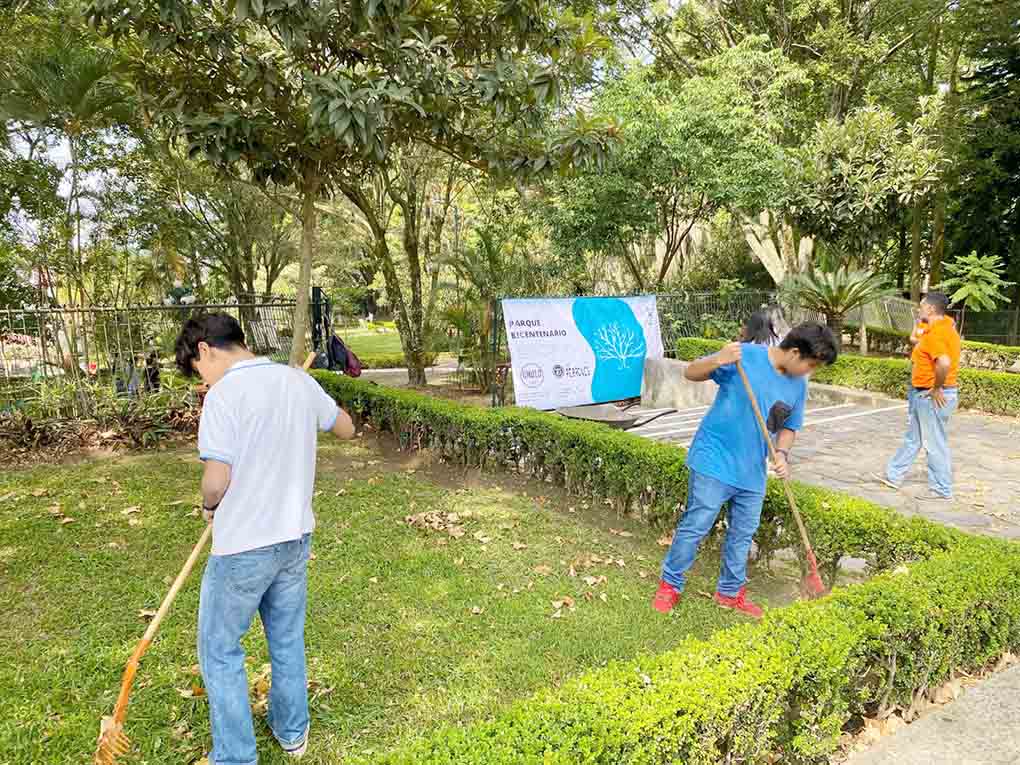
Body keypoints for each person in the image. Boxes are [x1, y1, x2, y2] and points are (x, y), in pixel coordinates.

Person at [175, 313, 355, 763]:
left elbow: (216, 481)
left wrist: (209, 505)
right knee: (287, 639)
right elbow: (346, 427)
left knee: (219, 650)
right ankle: (292, 732)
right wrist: (304, 396)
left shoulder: (223, 395)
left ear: (204, 350)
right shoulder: (297, 382)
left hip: (243, 546)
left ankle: (236, 756)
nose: (203, 378)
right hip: (294, 539)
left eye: (198, 369)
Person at [652, 322, 839, 619]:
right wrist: (718, 359)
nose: (811, 372)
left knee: (742, 534)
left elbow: (789, 427)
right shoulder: (743, 356)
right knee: (697, 525)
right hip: (714, 459)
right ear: (794, 353)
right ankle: (670, 585)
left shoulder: (798, 385)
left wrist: (782, 453)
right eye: (812, 364)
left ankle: (729, 593)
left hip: (752, 470)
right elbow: (690, 373)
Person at [877, 292, 960, 500]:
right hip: (922, 392)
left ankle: (941, 489)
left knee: (934, 443)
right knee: (913, 438)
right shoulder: (941, 328)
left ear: (930, 309)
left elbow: (943, 362)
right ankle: (894, 475)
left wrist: (937, 388)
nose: (918, 309)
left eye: (921, 306)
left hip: (932, 395)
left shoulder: (936, 333)